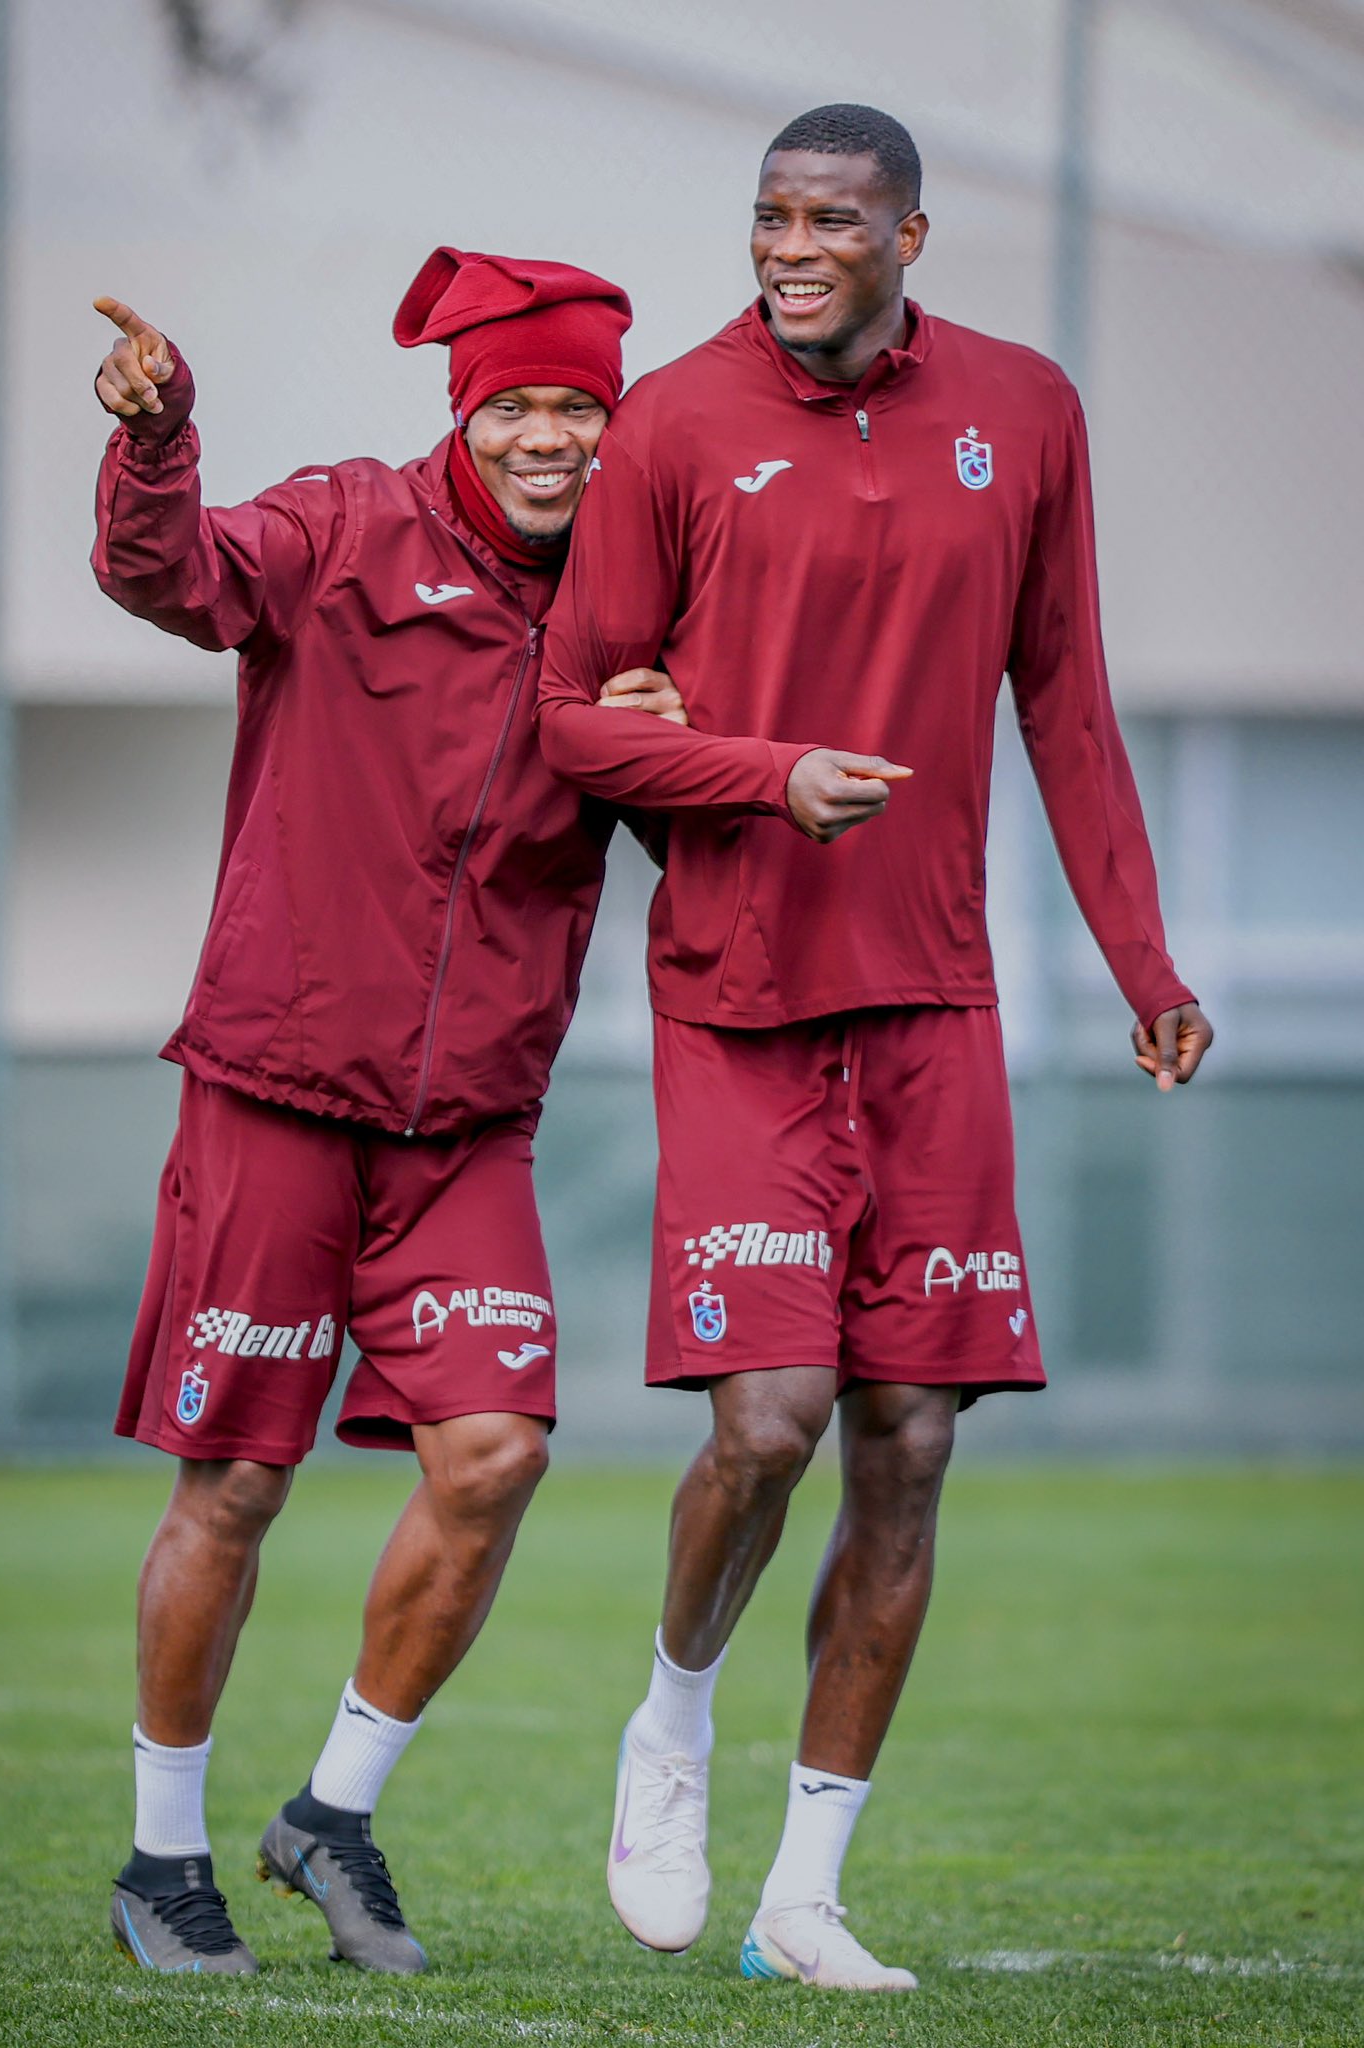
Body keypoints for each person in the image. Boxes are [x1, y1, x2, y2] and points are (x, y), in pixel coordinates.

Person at [537, 103, 1214, 1994]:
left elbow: (1068, 696)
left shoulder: (1026, 411)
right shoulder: (673, 420)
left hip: (937, 1005)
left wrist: (1141, 956)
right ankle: (668, 1732)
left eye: (831, 217)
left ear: (911, 234)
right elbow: (573, 716)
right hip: (739, 1001)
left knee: (908, 1443)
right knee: (769, 1426)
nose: (792, 244)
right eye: (770, 214)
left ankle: (804, 1892)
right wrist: (762, 779)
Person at [91, 246, 682, 1978]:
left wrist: (683, 731)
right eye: (522, 406)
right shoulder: (348, 526)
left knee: (496, 1456)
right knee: (236, 1487)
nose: (556, 437)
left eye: (583, 405)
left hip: (471, 1126)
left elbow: (697, 817)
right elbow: (176, 578)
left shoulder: (635, 608)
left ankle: (334, 1812)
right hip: (275, 1087)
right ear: (468, 413)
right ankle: (162, 1856)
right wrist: (157, 438)